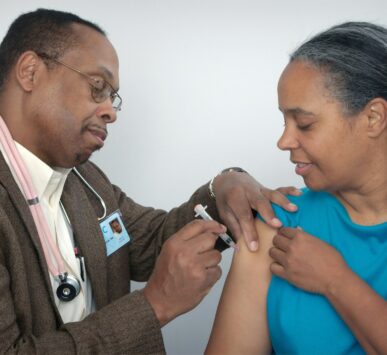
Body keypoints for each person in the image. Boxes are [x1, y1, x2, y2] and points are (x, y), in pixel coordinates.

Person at [0, 8, 299, 354]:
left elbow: (153, 242)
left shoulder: (87, 183)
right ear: (30, 71)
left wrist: (223, 189)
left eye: (113, 97)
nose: (110, 111)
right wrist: (154, 306)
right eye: (98, 87)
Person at [206, 21, 387, 355]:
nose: (284, 141)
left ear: (374, 118)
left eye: (305, 124)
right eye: (284, 122)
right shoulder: (278, 226)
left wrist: (336, 281)